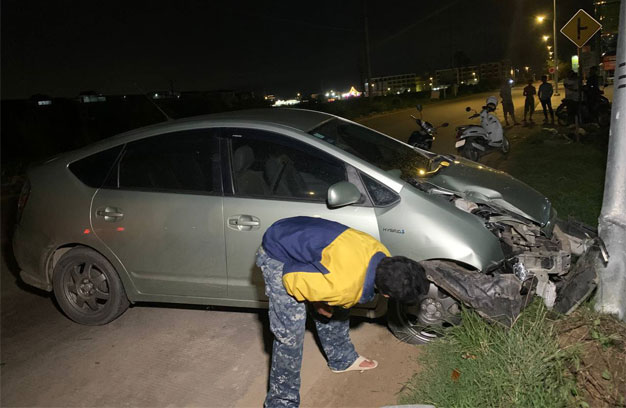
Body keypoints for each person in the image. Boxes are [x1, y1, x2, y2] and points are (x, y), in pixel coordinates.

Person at [256, 216, 428, 408]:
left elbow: (342, 281)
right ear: (386, 295)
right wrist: (319, 303)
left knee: (340, 303)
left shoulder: (382, 254)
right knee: (289, 335)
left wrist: (326, 298)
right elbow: (292, 280)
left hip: (303, 234)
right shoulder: (344, 287)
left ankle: (342, 359)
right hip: (278, 251)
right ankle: (281, 401)